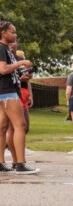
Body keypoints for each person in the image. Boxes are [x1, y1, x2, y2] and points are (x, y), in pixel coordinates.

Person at [0, 21, 38, 175]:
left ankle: (1, 163)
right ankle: (20, 163)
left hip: (6, 90)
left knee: (2, 128)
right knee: (20, 125)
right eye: (12, 32)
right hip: (7, 93)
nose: (15, 35)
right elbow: (2, 69)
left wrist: (20, 77)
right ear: (3, 32)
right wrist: (21, 62)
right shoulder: (1, 48)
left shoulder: (6, 50)